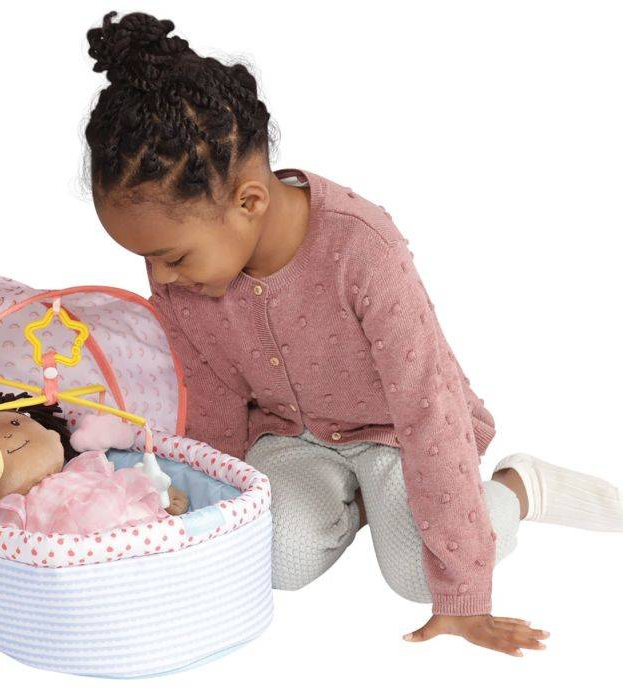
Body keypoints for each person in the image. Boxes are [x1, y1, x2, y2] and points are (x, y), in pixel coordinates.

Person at [82, 10, 623, 656]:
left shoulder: (360, 250)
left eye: (171, 257)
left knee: (419, 574)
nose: (161, 277)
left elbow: (427, 408)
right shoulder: (185, 278)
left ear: (249, 202)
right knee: (269, 558)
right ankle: (359, 505)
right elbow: (212, 399)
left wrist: (465, 592)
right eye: (148, 260)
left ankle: (517, 489)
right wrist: (210, 511)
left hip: (394, 432)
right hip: (285, 436)